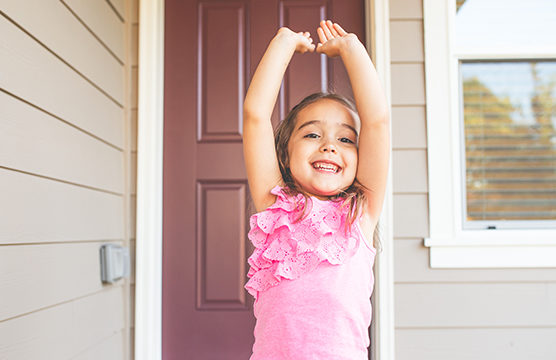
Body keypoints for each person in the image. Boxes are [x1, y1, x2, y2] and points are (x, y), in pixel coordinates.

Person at [242, 19, 390, 359]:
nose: (328, 146)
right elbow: (255, 115)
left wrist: (352, 50)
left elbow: (378, 121)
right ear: (285, 152)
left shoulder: (361, 212)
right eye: (312, 134)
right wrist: (283, 43)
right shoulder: (274, 208)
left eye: (345, 139)